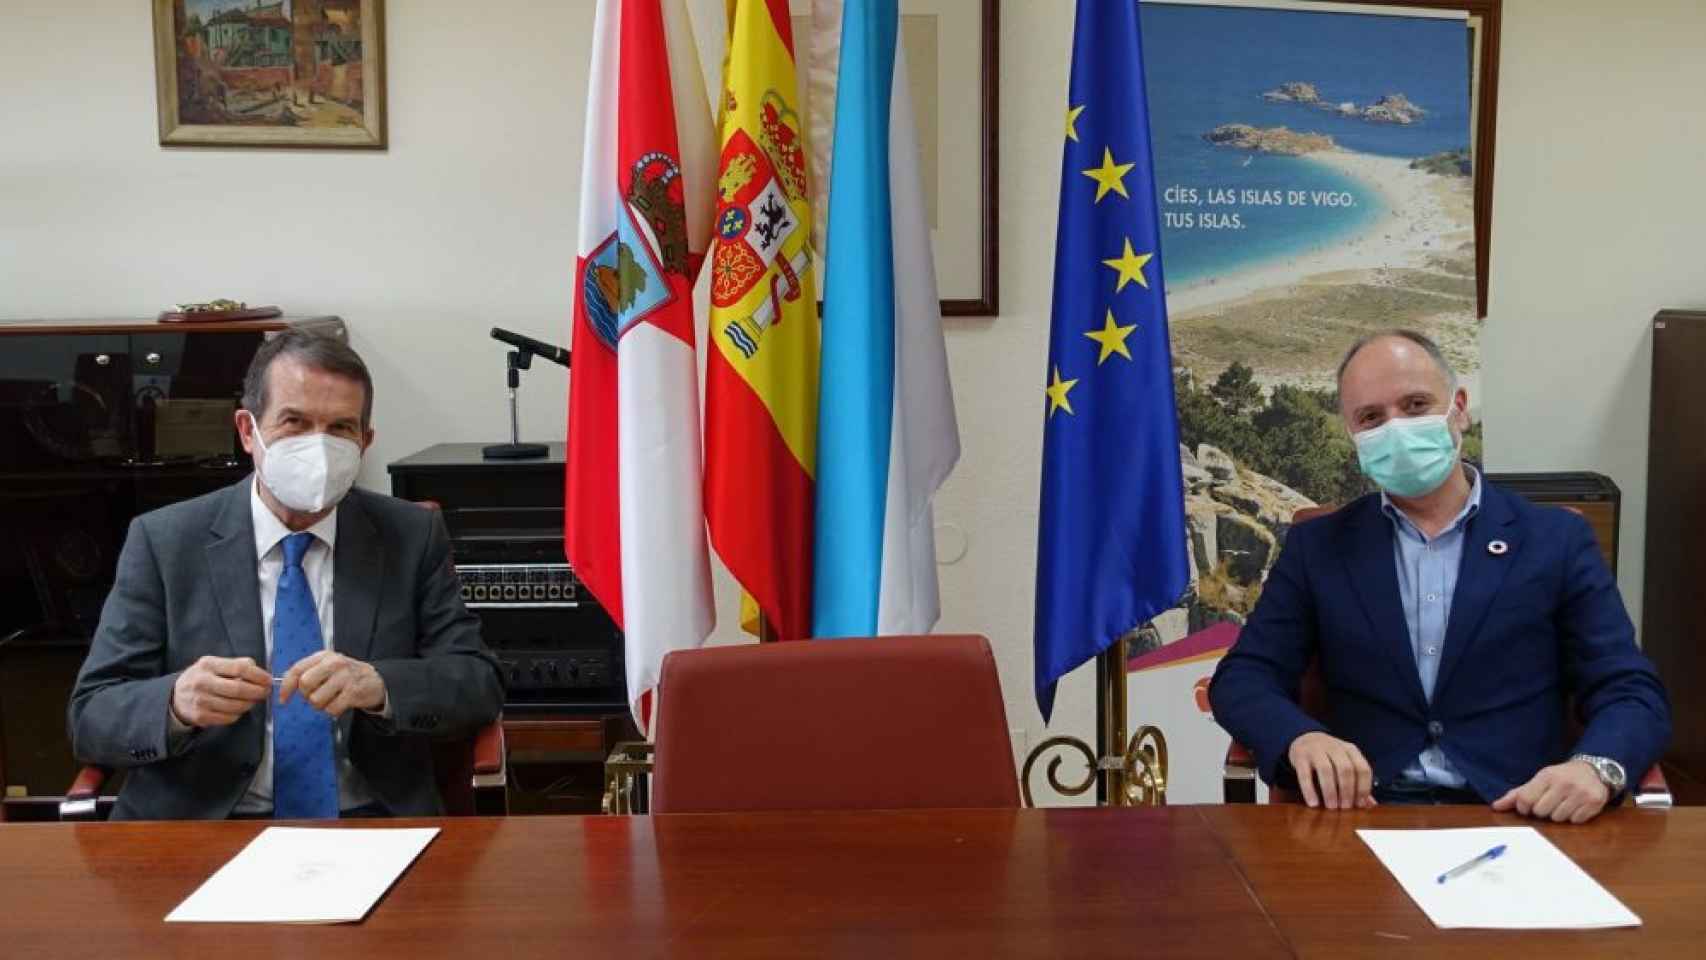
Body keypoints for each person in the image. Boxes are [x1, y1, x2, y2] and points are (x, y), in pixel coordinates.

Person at [1209, 329, 1669, 822]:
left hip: (1518, 812)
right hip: (1361, 814)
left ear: (1460, 408)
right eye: (1372, 417)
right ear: (1353, 435)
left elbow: (1630, 689)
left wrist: (1595, 769)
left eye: (1415, 405)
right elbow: (1243, 678)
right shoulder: (1319, 546)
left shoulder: (1554, 540)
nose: (1397, 428)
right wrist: (1298, 737)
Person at [69, 331, 504, 820]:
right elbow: (92, 716)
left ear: (366, 440)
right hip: (203, 827)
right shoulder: (165, 541)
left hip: (369, 824)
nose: (317, 447)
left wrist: (381, 685)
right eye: (294, 422)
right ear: (248, 430)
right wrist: (175, 703)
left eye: (340, 428)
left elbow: (477, 684)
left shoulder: (411, 535)